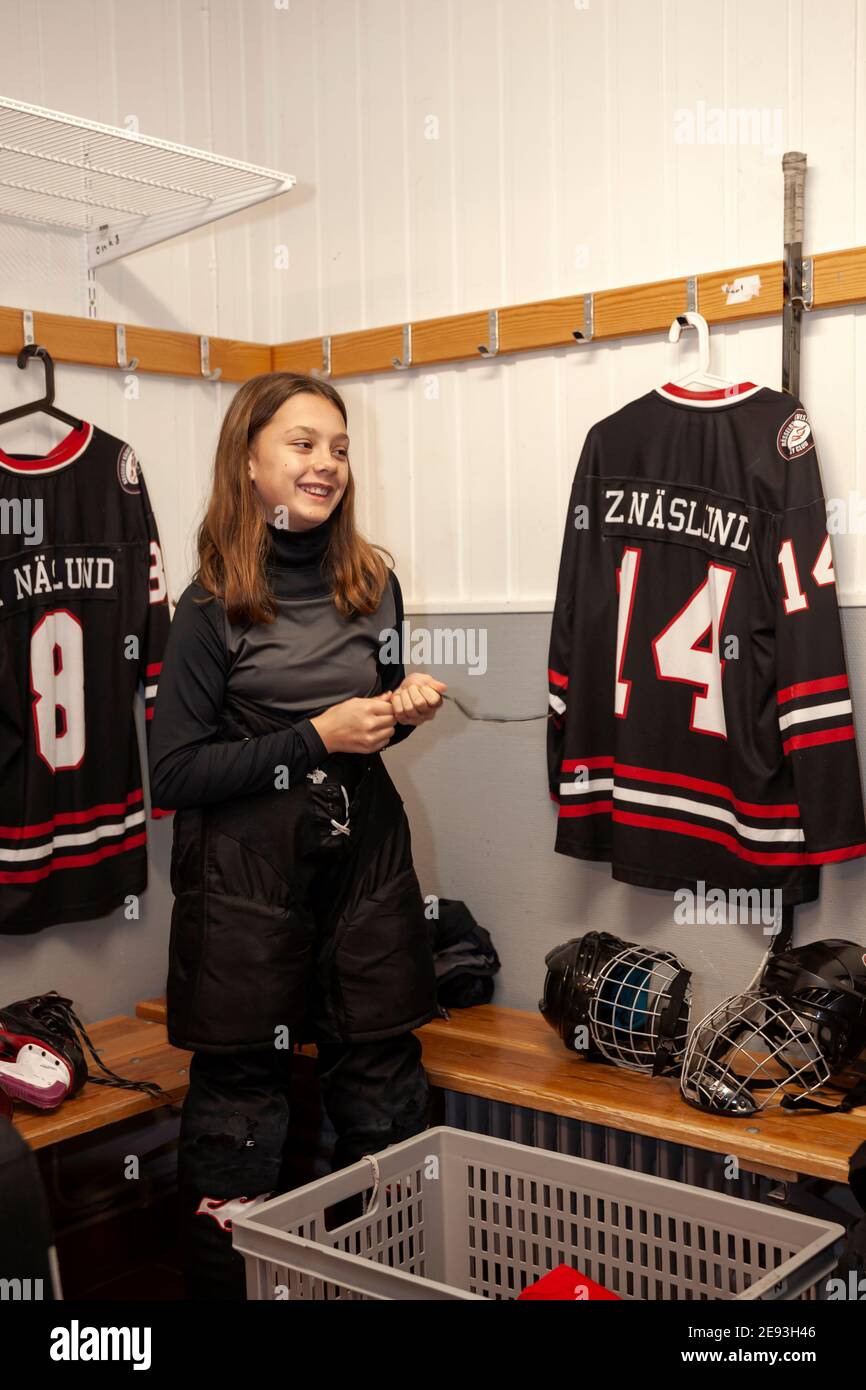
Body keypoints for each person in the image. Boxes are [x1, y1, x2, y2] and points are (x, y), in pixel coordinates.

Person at [149, 371, 447, 1299]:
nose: (327, 465)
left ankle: (379, 1281)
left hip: (363, 866)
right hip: (243, 885)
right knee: (242, 1107)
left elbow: (377, 715)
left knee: (385, 1086)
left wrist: (405, 709)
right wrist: (315, 737)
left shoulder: (374, 581)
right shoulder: (206, 610)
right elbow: (176, 774)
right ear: (249, 461)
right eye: (304, 444)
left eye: (340, 448)